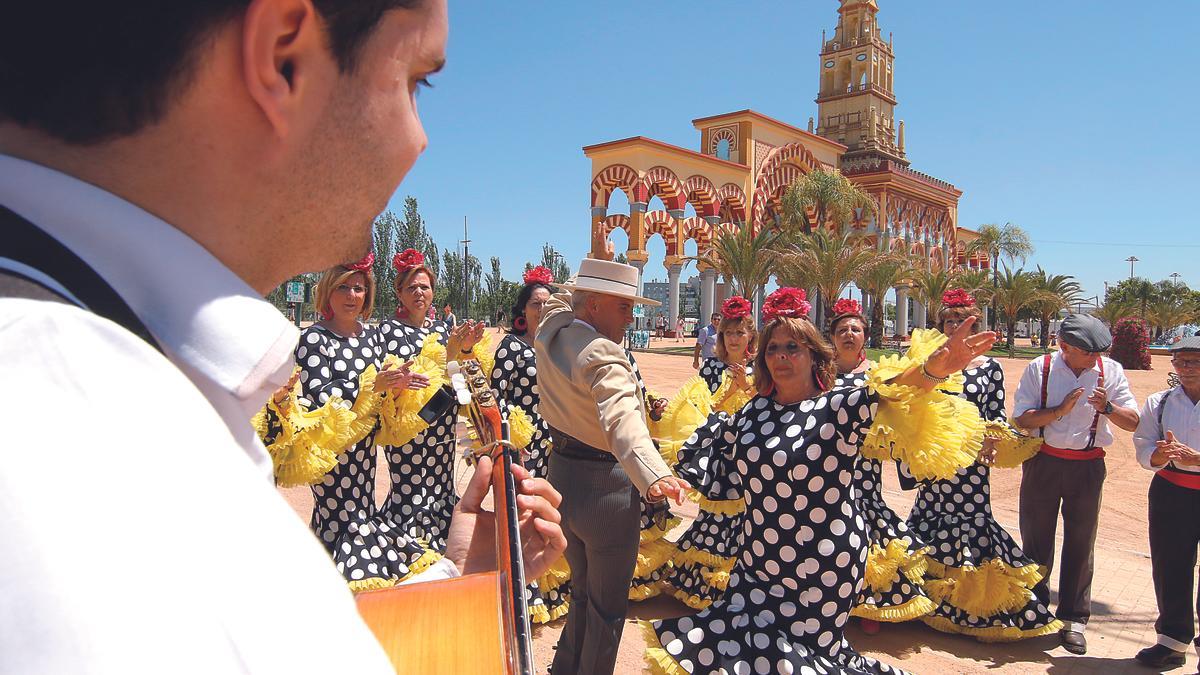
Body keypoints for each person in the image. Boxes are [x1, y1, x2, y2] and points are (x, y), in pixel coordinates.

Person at [0, 2, 565, 671]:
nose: (421, 139)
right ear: (283, 58)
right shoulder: (61, 446)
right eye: (417, 81)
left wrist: (471, 587)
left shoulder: (114, 363)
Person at [644, 287, 996, 675]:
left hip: (822, 563)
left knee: (797, 657)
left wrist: (932, 370)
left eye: (793, 347)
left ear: (813, 354)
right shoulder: (753, 412)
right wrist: (661, 476)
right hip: (757, 559)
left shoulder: (838, 405)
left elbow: (893, 392)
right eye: (773, 348)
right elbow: (706, 453)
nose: (781, 356)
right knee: (733, 642)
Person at [536, 257, 689, 675]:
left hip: (563, 477)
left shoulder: (552, 330)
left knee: (583, 592)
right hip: (607, 491)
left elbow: (560, 300)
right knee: (607, 609)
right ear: (594, 306)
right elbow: (622, 420)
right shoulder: (603, 353)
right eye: (623, 306)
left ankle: (565, 667)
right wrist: (654, 474)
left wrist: (596, 260)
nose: (631, 316)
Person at [271, 254, 443, 590]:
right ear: (328, 294)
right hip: (332, 449)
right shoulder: (314, 339)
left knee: (361, 509)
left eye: (359, 289)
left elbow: (380, 390)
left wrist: (397, 388)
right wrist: (371, 385)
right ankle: (329, 586)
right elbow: (322, 397)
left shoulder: (371, 338)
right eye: (344, 288)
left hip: (364, 447)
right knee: (338, 516)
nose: (352, 296)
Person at [907, 290, 1060, 641]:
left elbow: (994, 412)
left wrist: (992, 443)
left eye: (961, 321)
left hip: (972, 460)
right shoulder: (930, 362)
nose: (954, 326)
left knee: (971, 519)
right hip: (936, 456)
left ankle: (970, 608)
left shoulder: (990, 368)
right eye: (948, 321)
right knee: (930, 512)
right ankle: (925, 601)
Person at [1013, 313, 1140, 654]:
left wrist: (1108, 408)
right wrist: (1059, 411)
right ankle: (1035, 610)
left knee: (1081, 543)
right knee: (1036, 539)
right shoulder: (1039, 369)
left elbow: (1133, 421)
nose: (1095, 359)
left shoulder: (1110, 372)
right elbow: (1022, 420)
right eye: (1088, 353)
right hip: (1043, 462)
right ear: (1064, 346)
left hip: (1087, 466)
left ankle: (1073, 620)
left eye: (1098, 352)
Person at [825, 298, 934, 636]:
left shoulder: (876, 375)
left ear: (865, 337)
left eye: (855, 329)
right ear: (831, 337)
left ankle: (871, 600)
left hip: (865, 467)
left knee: (866, 520)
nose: (848, 334)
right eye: (842, 329)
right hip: (828, 464)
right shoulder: (820, 375)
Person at [379, 249, 485, 552]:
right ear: (399, 292)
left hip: (442, 419)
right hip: (408, 425)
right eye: (411, 287)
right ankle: (406, 540)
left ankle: (441, 535)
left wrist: (465, 349)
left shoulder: (442, 330)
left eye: (424, 287)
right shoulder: (388, 331)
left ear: (433, 292)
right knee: (409, 480)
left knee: (440, 478)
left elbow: (456, 373)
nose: (418, 293)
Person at [490, 264, 568, 624]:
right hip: (520, 442)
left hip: (552, 441)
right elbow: (495, 395)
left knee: (547, 512)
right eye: (535, 303)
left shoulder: (555, 345)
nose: (541, 308)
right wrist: (509, 436)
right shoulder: (510, 346)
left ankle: (545, 589)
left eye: (546, 303)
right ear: (523, 309)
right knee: (522, 511)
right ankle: (520, 592)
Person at [1132, 336, 1200, 669]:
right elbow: (1143, 443)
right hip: (1171, 491)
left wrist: (1198, 458)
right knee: (1170, 567)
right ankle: (1172, 642)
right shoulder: (1159, 403)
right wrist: (1155, 455)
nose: (1185, 369)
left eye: (1193, 362)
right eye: (1179, 362)